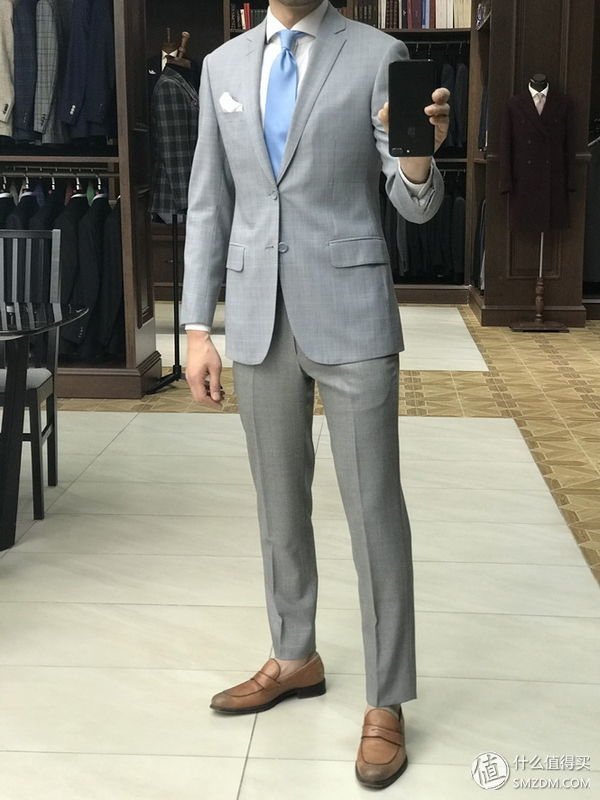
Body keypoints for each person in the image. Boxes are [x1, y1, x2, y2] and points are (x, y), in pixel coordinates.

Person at [181, 0, 449, 790]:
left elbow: (416, 205)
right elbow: (209, 202)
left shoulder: (377, 53)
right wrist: (196, 327)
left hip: (352, 311)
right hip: (256, 315)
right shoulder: (221, 67)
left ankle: (387, 697)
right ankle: (294, 654)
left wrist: (418, 159)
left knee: (374, 509)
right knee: (278, 503)